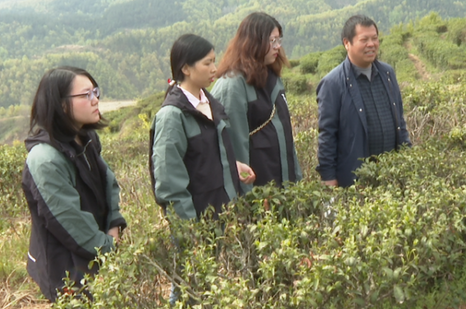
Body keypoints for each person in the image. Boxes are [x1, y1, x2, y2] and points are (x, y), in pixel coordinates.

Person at [22, 66, 128, 309]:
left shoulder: (86, 138)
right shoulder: (45, 159)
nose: (95, 99)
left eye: (96, 92)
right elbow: (69, 223)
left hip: (95, 253)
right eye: (86, 94)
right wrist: (109, 246)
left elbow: (108, 182)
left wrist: (114, 224)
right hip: (67, 264)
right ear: (60, 105)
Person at [149, 34, 256, 221]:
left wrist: (232, 165)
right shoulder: (172, 116)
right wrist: (191, 232)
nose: (214, 69)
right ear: (185, 68)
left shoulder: (212, 104)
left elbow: (205, 158)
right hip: (203, 226)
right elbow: (170, 185)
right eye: (207, 63)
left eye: (214, 61)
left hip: (229, 220)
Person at [316, 14, 411, 188]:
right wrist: (328, 177)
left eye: (375, 38)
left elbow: (400, 121)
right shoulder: (333, 83)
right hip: (356, 180)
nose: (371, 44)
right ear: (347, 43)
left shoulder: (387, 74)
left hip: (392, 175)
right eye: (364, 40)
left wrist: (408, 158)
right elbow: (327, 135)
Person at [211, 12, 301, 193]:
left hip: (284, 190)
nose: (277, 46)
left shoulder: (272, 78)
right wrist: (247, 198)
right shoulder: (233, 86)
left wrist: (297, 181)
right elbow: (235, 148)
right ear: (253, 42)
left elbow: (285, 137)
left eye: (278, 40)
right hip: (259, 195)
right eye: (272, 41)